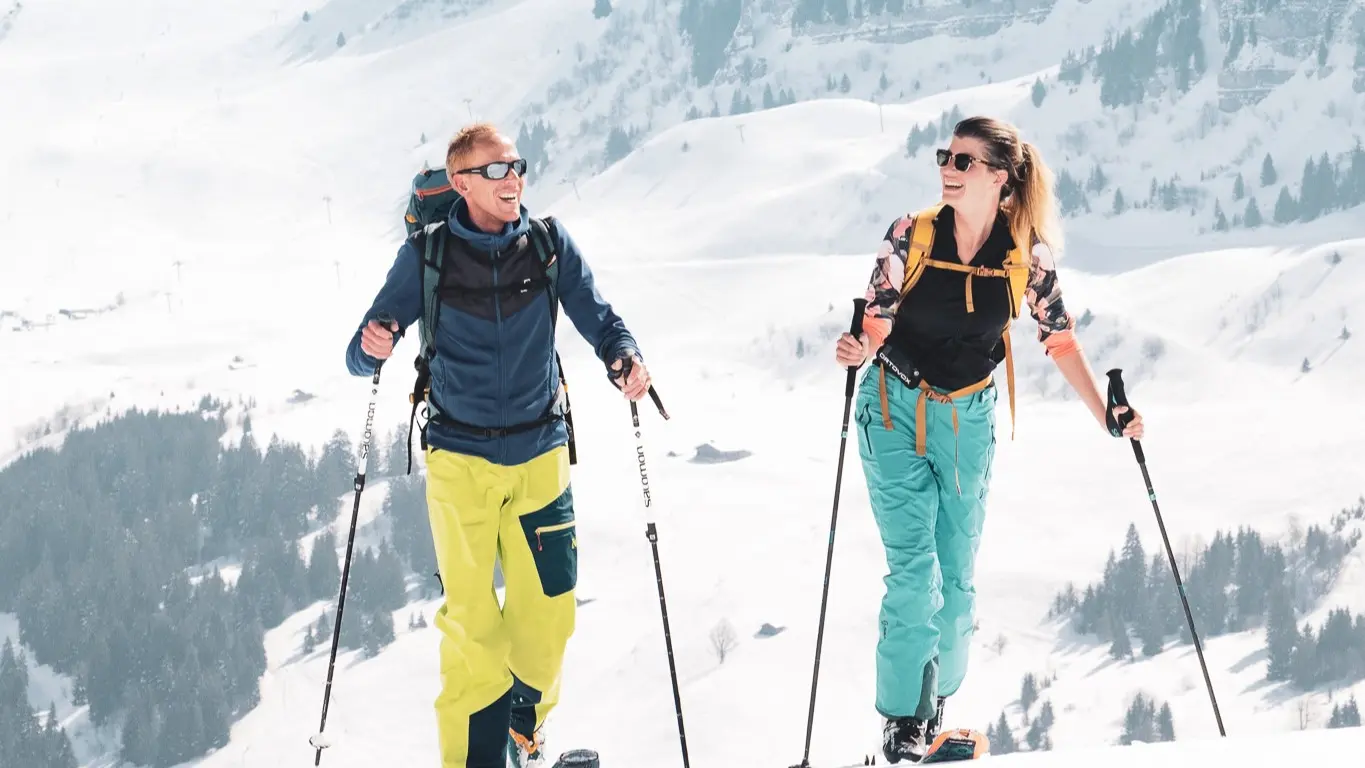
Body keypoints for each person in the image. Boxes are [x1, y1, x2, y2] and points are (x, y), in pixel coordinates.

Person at [834, 116, 1144, 763]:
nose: (947, 167)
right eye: (944, 156)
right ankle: (902, 725)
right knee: (915, 576)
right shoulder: (910, 235)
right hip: (892, 411)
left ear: (1000, 178)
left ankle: (932, 704)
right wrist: (857, 344)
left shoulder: (1023, 255)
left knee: (958, 583)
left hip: (968, 423)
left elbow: (1058, 339)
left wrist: (1105, 417)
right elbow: (875, 321)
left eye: (963, 161)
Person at [345, 122, 652, 768]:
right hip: (459, 465)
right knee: (472, 632)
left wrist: (624, 357)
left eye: (517, 166)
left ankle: (522, 725)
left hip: (541, 455)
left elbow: (599, 317)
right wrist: (371, 344)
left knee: (549, 617)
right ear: (460, 183)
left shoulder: (546, 244)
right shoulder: (427, 256)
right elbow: (362, 349)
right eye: (495, 170)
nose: (513, 179)